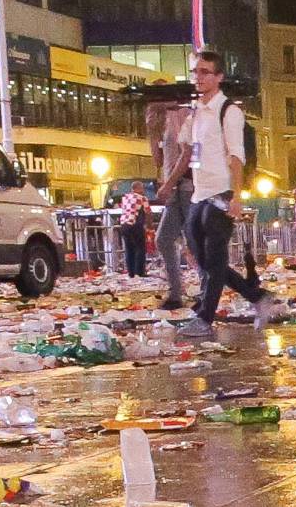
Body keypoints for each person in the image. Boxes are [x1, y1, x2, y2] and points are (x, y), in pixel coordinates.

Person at [163, 50, 273, 334]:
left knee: (214, 257)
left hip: (221, 192)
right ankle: (258, 297)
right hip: (199, 194)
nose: (198, 77)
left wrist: (237, 195)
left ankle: (204, 318)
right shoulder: (196, 111)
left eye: (204, 72)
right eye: (195, 72)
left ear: (219, 77)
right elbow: (186, 152)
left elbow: (237, 156)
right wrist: (168, 182)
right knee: (206, 261)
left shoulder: (229, 112)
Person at [148, 100, 193, 310]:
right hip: (174, 188)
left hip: (187, 186)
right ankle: (176, 292)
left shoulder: (184, 115)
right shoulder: (161, 122)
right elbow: (158, 161)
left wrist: (169, 184)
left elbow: (187, 154)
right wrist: (151, 132)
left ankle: (199, 293)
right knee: (164, 238)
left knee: (193, 242)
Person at [116, 181, 149, 278]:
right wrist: (149, 226)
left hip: (124, 225)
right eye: (142, 188)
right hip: (135, 224)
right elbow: (148, 212)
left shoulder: (125, 198)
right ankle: (139, 272)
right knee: (140, 248)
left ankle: (131, 273)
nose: (143, 190)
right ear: (138, 188)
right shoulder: (142, 198)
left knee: (129, 249)